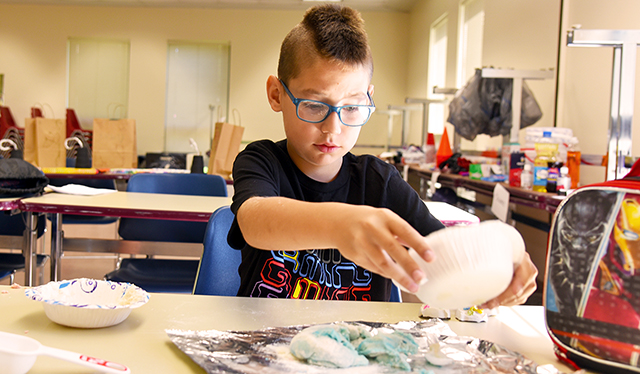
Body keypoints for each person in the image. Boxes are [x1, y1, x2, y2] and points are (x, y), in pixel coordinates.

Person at [229, 4, 537, 305]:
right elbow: (256, 222)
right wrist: (340, 225)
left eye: (351, 107)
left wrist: (507, 260)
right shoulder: (261, 160)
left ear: (368, 99)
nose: (332, 128)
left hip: (357, 349)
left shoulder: (380, 182)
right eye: (314, 105)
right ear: (276, 94)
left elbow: (442, 252)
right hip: (263, 340)